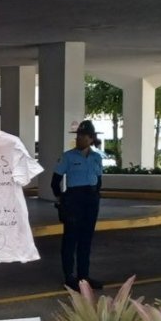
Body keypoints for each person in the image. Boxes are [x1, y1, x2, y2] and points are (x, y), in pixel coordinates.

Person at [51, 120, 104, 291]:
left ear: (90, 138)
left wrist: (96, 195)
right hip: (74, 199)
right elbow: (55, 181)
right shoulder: (68, 157)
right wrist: (61, 198)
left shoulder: (97, 157)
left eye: (82, 136)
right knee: (70, 240)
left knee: (86, 240)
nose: (79, 139)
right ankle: (69, 277)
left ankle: (83, 277)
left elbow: (99, 180)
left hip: (91, 200)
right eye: (78, 136)